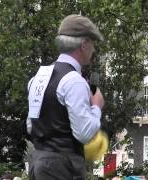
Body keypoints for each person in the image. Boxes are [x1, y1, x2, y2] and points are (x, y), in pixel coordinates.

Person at [26, 14, 105, 180]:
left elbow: (30, 126)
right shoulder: (74, 81)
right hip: (62, 167)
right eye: (92, 43)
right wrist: (96, 106)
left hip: (38, 162)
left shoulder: (38, 78)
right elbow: (84, 134)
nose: (94, 49)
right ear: (84, 45)